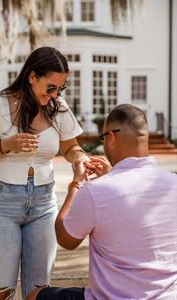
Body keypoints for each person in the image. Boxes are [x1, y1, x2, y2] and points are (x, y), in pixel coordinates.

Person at [26, 104, 177, 300]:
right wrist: (112, 177)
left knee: (35, 296)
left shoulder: (96, 191)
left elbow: (65, 238)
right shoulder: (173, 182)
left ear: (111, 137)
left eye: (103, 138)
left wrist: (76, 185)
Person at [0, 46, 91, 300]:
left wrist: (80, 160)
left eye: (60, 89)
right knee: (1, 290)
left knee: (40, 290)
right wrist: (5, 146)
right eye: (50, 87)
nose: (54, 95)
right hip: (0, 203)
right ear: (31, 76)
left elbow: (72, 147)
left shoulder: (58, 108)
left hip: (43, 204)